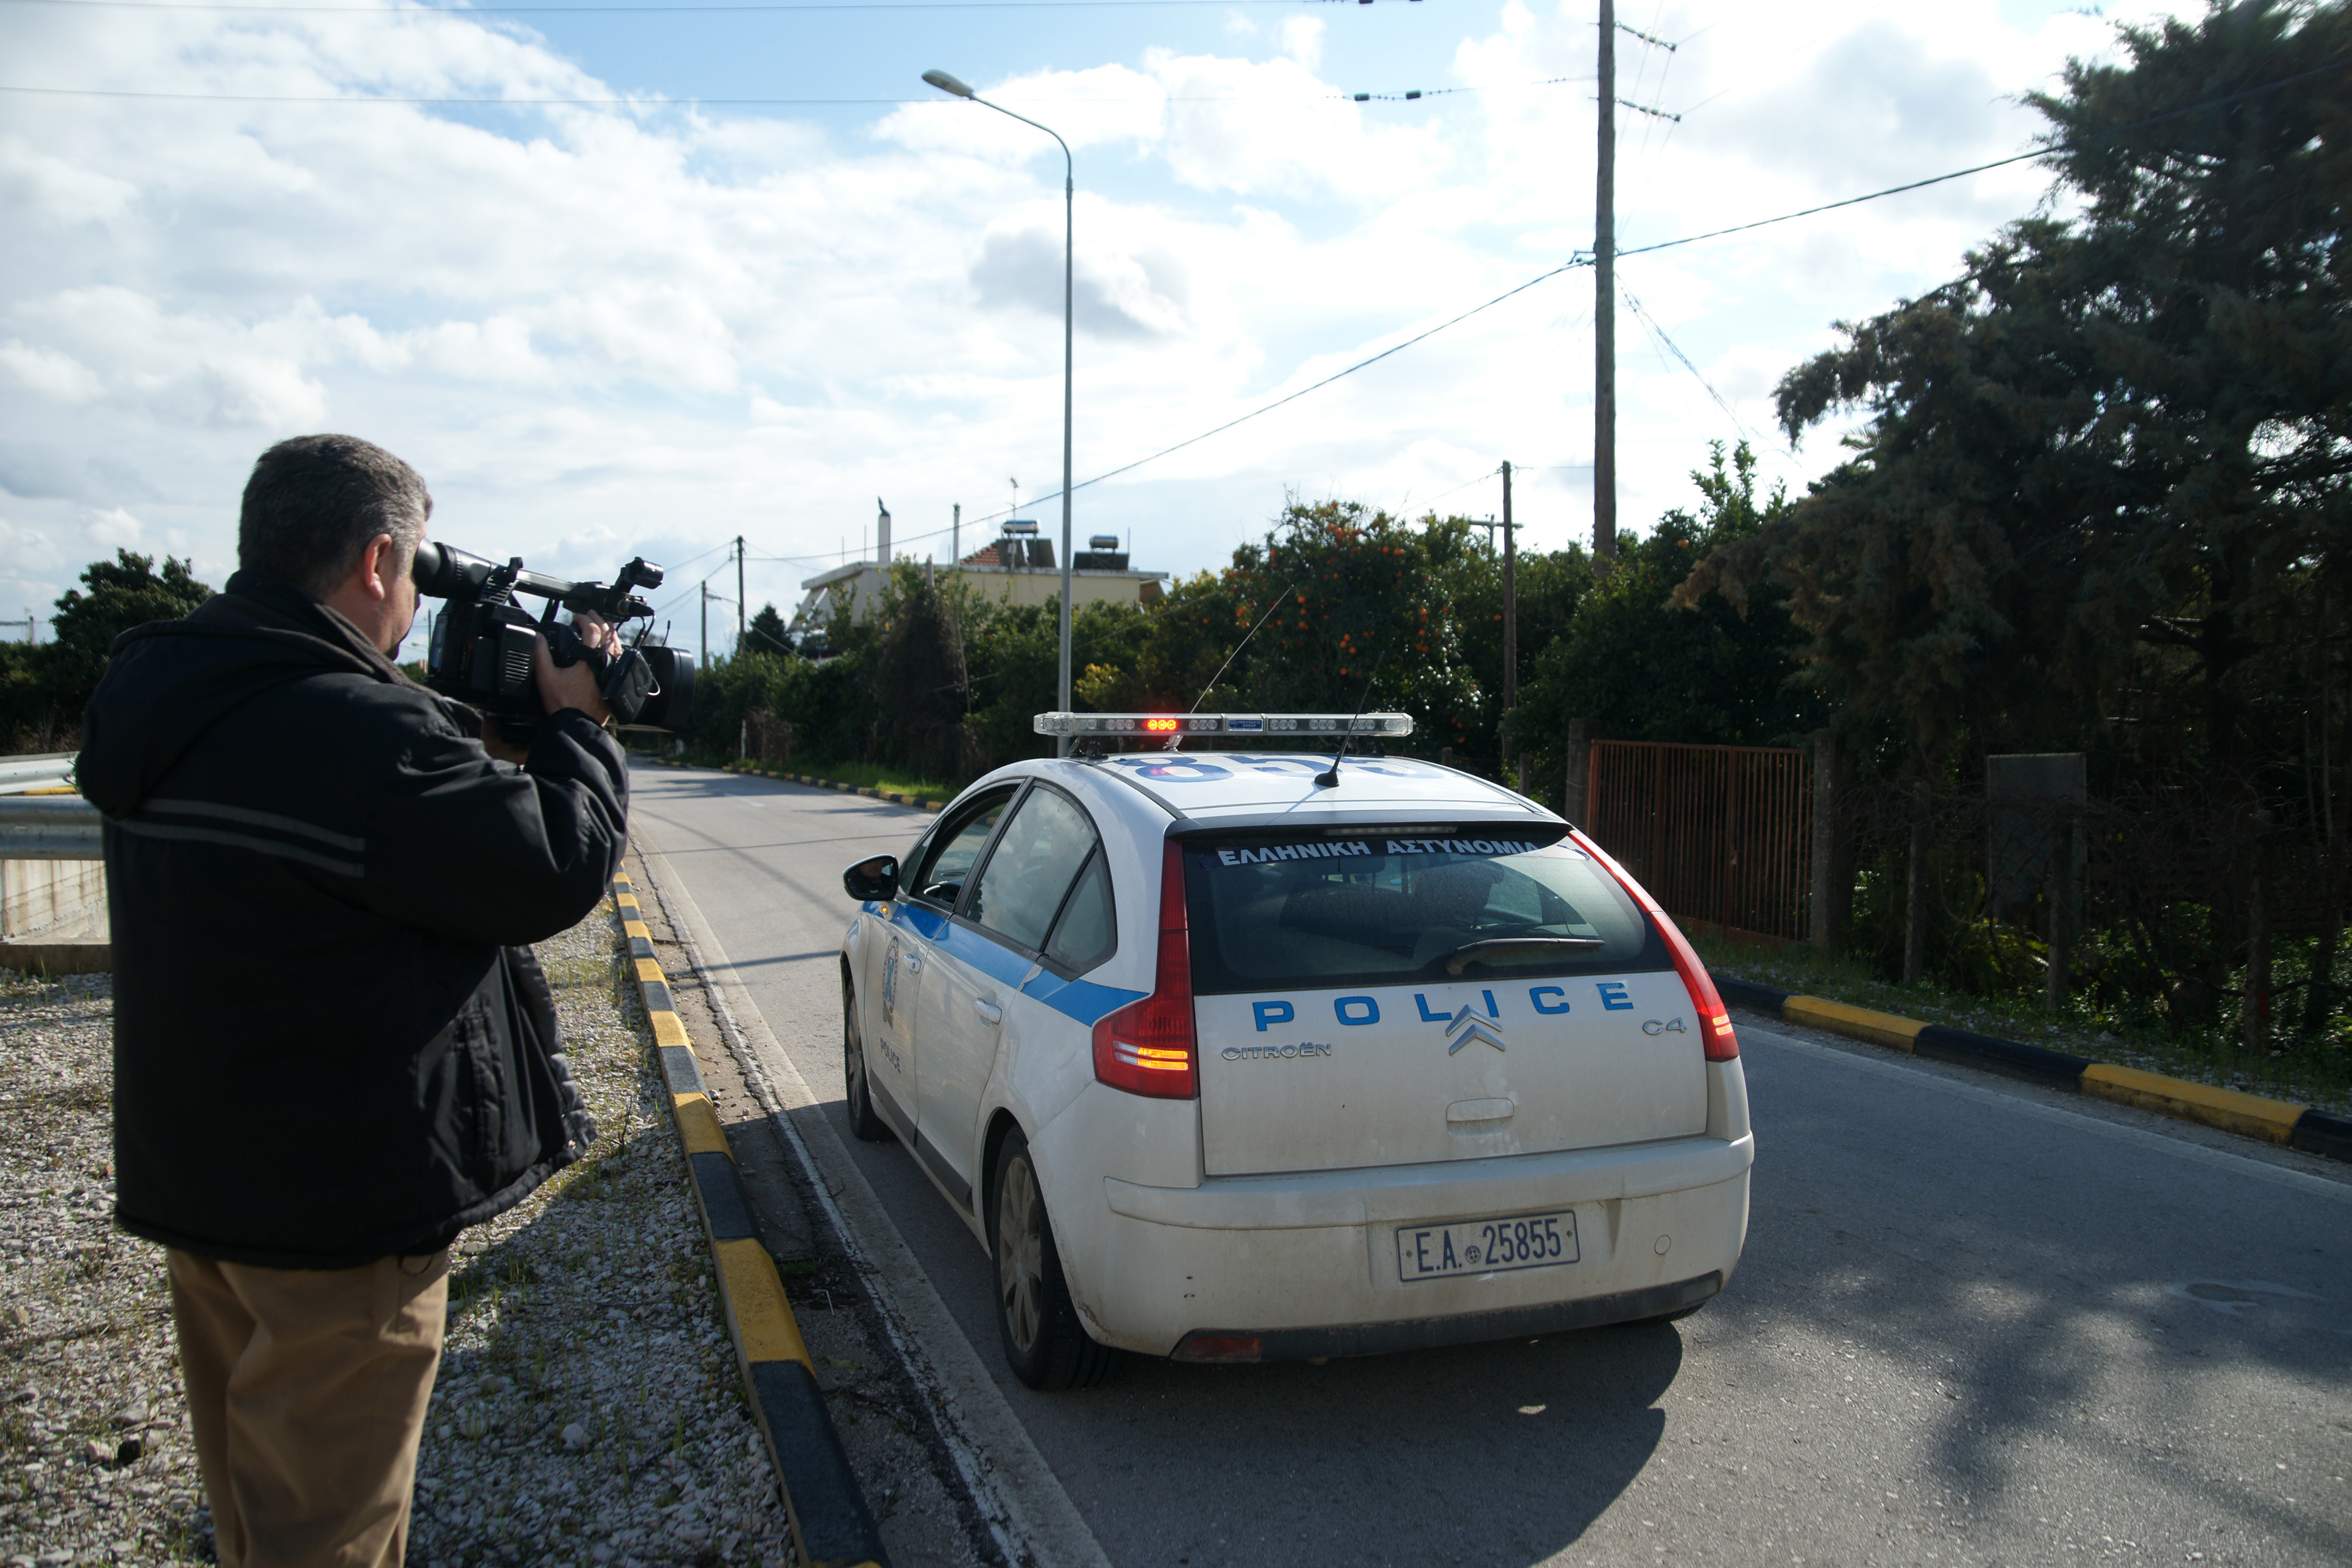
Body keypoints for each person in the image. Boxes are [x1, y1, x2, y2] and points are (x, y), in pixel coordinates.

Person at [79, 434, 629, 1567]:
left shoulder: (161, 689)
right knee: (328, 1534)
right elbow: (550, 866)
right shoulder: (358, 732)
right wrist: (578, 726)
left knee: (255, 1511)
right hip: (333, 1212)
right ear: (380, 561)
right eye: (414, 572)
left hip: (203, 1181)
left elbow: (355, 841)